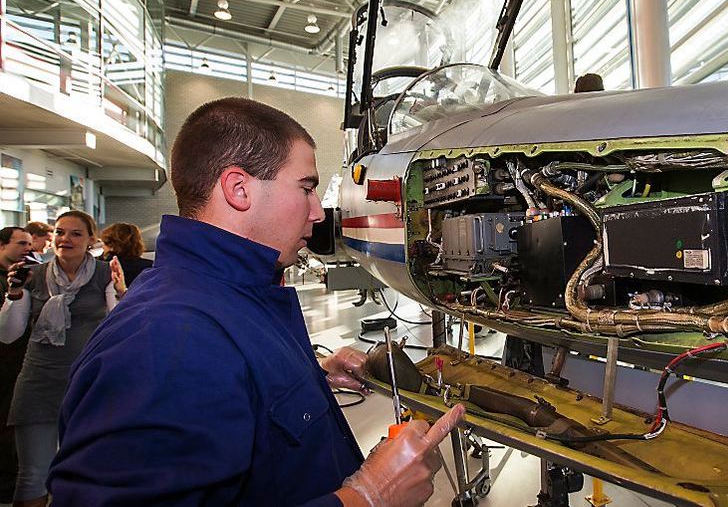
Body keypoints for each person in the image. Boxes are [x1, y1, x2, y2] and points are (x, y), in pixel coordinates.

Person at [50, 97, 465, 506]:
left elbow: (217, 406)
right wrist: (369, 496)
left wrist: (304, 380)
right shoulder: (165, 339)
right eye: (306, 188)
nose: (318, 213)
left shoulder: (226, 300)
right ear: (239, 188)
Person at [0, 212, 126, 507]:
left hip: (89, 382)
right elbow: (9, 334)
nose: (65, 239)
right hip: (39, 381)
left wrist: (122, 293)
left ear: (91, 241)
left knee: (88, 472)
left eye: (75, 234)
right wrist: (14, 292)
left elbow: (119, 325)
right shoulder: (33, 274)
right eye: (60, 232)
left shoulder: (105, 273)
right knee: (32, 474)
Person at [0, 227, 33, 504]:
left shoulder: (27, 276)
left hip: (17, 363)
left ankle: (8, 483)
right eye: (21, 243)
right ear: (2, 246)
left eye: (29, 243)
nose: (27, 248)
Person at [99, 222, 153, 287]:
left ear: (111, 245)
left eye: (104, 243)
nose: (102, 247)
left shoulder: (102, 268)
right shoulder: (150, 268)